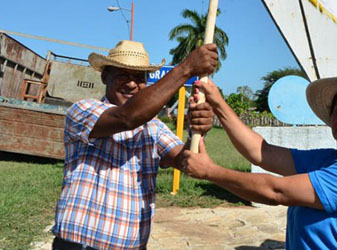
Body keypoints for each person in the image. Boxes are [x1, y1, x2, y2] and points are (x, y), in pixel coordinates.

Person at [181, 72, 337, 250]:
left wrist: (209, 172)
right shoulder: (329, 159)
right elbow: (262, 152)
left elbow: (276, 192)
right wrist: (218, 102)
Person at [51, 40, 218, 250]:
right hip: (79, 245)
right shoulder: (83, 110)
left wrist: (196, 131)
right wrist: (186, 69)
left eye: (139, 78)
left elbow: (184, 161)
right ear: (105, 77)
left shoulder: (154, 127)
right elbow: (127, 117)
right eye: (123, 75)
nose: (131, 84)